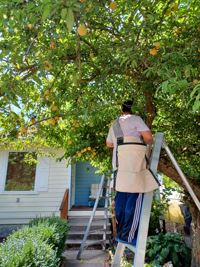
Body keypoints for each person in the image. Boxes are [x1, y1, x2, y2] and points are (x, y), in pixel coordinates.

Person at [106, 100, 155, 246]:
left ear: (122, 111)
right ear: (132, 110)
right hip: (133, 166)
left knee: (121, 200)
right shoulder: (136, 119)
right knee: (134, 199)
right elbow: (149, 138)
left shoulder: (114, 124)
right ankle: (128, 236)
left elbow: (109, 144)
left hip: (119, 166)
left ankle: (122, 233)